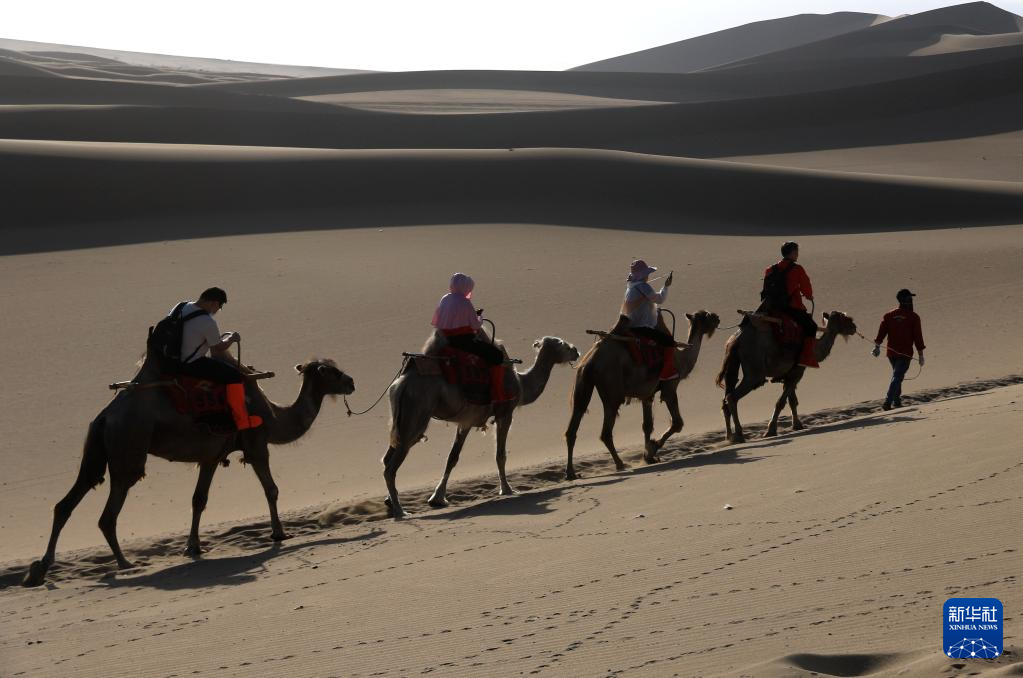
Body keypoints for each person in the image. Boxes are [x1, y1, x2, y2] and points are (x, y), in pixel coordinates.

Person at [171, 287, 262, 430]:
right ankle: (242, 420)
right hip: (190, 363)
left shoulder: (180, 306)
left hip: (170, 359)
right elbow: (218, 347)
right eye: (218, 307)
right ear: (213, 303)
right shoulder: (207, 322)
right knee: (234, 375)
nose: (216, 311)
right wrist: (231, 338)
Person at [431, 273, 510, 402]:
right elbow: (475, 325)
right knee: (497, 355)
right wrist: (479, 317)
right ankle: (497, 393)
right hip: (462, 341)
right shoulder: (465, 302)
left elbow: (440, 319)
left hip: (444, 339)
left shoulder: (445, 299)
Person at [762, 241, 819, 368]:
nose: (797, 254)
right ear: (792, 253)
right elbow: (806, 287)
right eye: (796, 252)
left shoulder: (769, 269)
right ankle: (806, 358)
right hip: (790, 307)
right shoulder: (797, 269)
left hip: (771, 306)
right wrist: (809, 296)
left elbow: (766, 289)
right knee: (811, 327)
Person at [620, 259, 678, 380]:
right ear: (643, 275)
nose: (648, 276)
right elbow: (659, 299)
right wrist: (666, 286)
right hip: (640, 327)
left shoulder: (630, 287)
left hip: (629, 325)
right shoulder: (643, 286)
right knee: (669, 341)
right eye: (647, 274)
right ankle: (666, 373)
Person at [872, 288, 926, 410]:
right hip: (905, 353)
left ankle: (896, 401)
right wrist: (921, 355)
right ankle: (888, 401)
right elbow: (918, 337)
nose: (911, 301)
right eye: (909, 298)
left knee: (897, 375)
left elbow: (881, 334)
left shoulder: (889, 315)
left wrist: (877, 346)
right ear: (905, 300)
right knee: (897, 376)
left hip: (892, 353)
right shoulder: (913, 317)